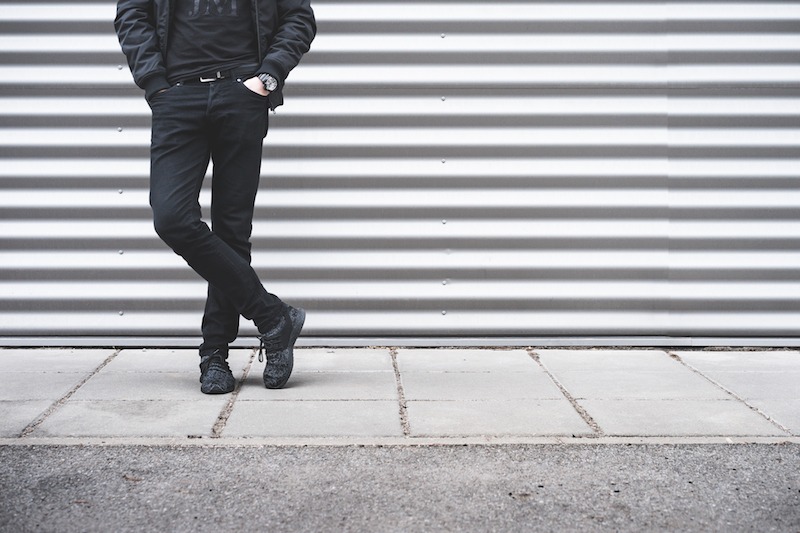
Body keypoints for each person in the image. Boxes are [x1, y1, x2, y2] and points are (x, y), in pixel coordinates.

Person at [114, 0, 316, 394]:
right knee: (172, 218)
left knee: (232, 231)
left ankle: (214, 356)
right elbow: (132, 15)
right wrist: (154, 82)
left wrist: (268, 77)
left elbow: (298, 17)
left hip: (243, 93)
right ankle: (273, 316)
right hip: (177, 95)